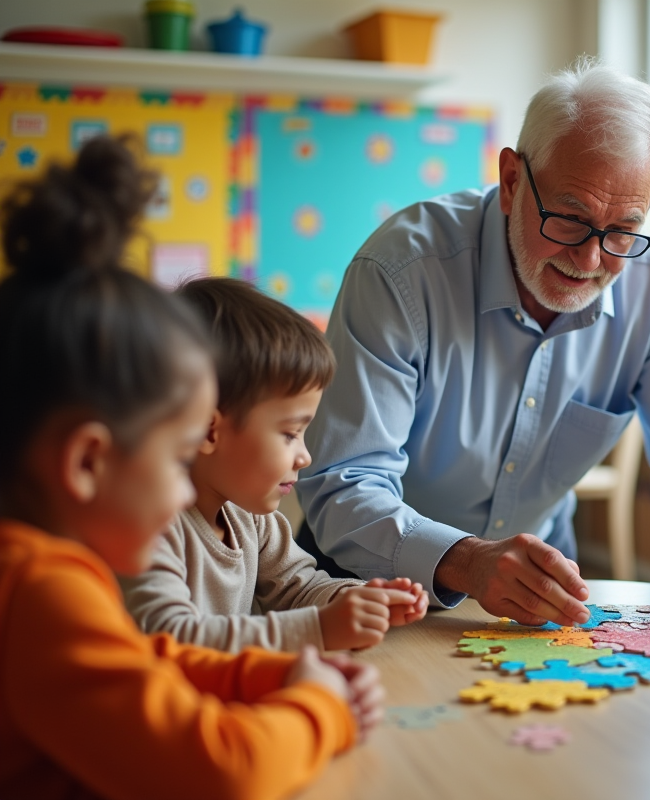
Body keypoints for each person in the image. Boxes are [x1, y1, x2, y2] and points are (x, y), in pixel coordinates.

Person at [296, 58, 650, 626]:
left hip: (539, 600)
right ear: (512, 181)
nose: (590, 259)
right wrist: (467, 561)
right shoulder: (400, 271)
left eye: (623, 230)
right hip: (363, 587)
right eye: (569, 218)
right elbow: (343, 483)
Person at [0, 135, 382, 799]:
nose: (184, 491)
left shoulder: (44, 574)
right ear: (87, 462)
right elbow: (225, 770)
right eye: (178, 459)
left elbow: (152, 660)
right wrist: (320, 708)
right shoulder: (38, 593)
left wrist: (277, 676)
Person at [121, 278, 428, 653]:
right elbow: (173, 638)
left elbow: (300, 588)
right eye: (289, 434)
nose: (305, 456)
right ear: (209, 430)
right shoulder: (149, 529)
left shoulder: (249, 517)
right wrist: (319, 628)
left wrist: (361, 600)